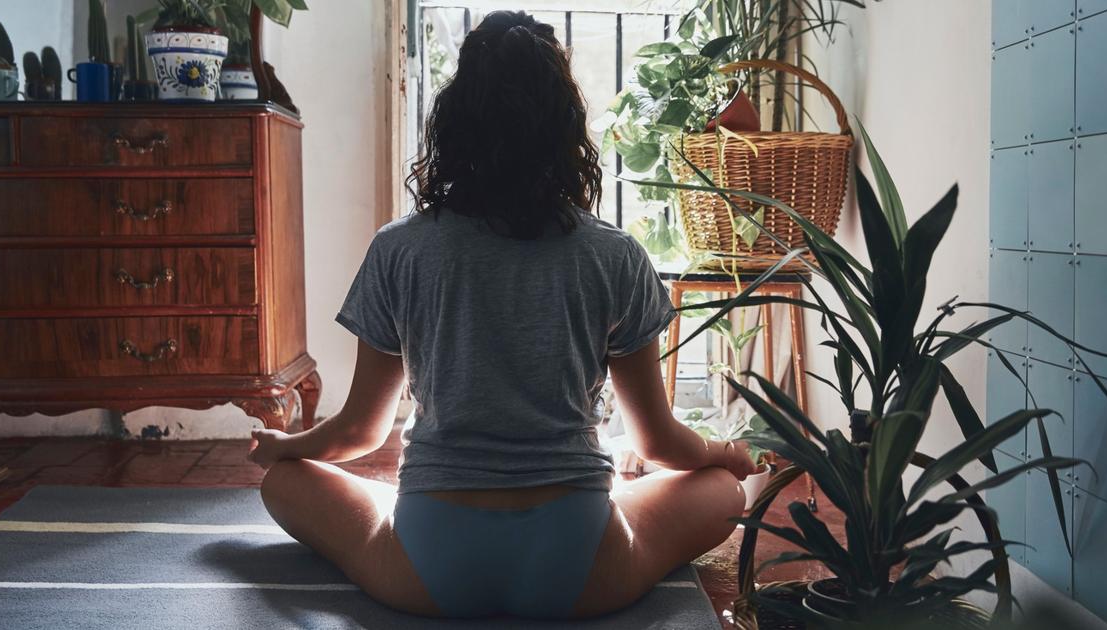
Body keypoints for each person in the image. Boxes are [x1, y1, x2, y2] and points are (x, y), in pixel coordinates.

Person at [247, 10, 755, 620]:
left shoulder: (400, 248)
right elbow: (658, 443)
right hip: (582, 566)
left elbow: (361, 434)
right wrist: (723, 452)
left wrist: (287, 444)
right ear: (566, 129)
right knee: (721, 488)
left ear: (454, 125)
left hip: (427, 568)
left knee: (283, 480)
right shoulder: (613, 254)